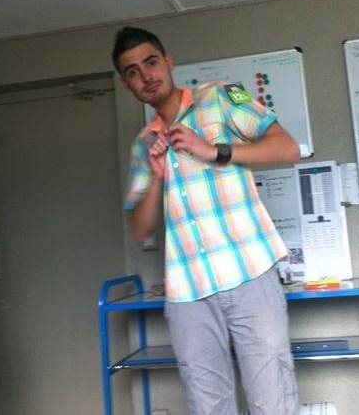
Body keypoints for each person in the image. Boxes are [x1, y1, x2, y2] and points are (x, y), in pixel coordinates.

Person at [112, 26, 301, 415]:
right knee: (207, 406)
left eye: (151, 62)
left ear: (168, 62)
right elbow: (140, 229)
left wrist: (215, 150)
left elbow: (287, 148)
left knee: (273, 402)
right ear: (127, 84)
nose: (146, 75)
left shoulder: (222, 96)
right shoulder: (143, 144)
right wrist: (157, 178)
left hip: (249, 271)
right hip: (188, 291)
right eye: (132, 71)